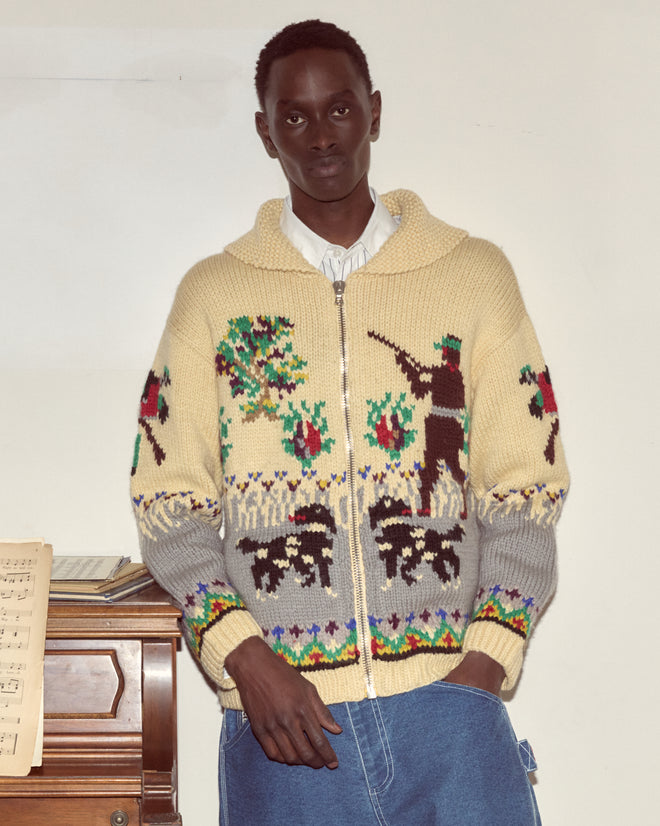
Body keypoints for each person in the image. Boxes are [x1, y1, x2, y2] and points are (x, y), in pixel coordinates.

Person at [130, 19, 569, 825]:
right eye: (293, 117)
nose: (320, 136)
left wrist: (482, 665)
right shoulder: (213, 297)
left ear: (374, 110)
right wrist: (245, 660)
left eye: (339, 109)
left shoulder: (473, 276)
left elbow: (527, 486)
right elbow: (169, 504)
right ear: (266, 132)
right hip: (282, 726)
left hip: (451, 713)